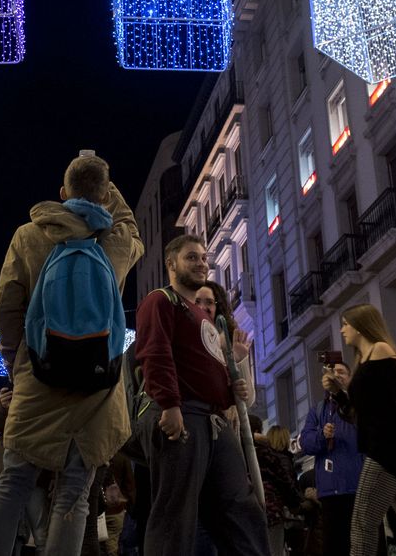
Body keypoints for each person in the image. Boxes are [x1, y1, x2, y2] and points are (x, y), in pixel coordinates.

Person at [0, 154, 144, 556]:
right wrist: (107, 188)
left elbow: (5, 305)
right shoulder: (115, 243)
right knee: (74, 494)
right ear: (105, 196)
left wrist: (18, 357)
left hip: (39, 378)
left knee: (13, 486)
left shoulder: (30, 236)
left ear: (62, 193)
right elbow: (132, 226)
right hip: (96, 388)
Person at [131, 234, 267, 556]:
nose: (201, 263)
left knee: (241, 509)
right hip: (183, 418)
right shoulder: (160, 300)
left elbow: (204, 366)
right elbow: (155, 352)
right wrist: (170, 405)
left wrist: (230, 389)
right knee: (175, 516)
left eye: (204, 258)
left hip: (213, 421)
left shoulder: (202, 317)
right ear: (171, 264)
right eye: (191, 257)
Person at [323, 303, 396, 556]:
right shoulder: (364, 360)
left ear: (361, 325)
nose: (342, 329)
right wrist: (339, 394)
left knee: (362, 525)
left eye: (347, 323)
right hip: (386, 451)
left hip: (387, 453)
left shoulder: (381, 351)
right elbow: (362, 415)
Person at [298, 359, 363, 556]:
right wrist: (321, 435)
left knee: (364, 543)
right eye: (332, 372)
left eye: (341, 372)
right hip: (330, 492)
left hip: (359, 487)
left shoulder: (359, 404)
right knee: (335, 546)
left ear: (350, 378)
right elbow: (306, 443)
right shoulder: (318, 410)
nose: (336, 376)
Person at [194, 280, 254, 407]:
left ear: (218, 308)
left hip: (222, 423)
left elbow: (247, 401)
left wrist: (239, 360)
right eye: (197, 302)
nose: (202, 308)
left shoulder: (228, 344)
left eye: (209, 302)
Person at [256, 424, 302, 555]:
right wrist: (299, 504)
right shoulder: (279, 459)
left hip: (256, 511)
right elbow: (288, 487)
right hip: (274, 512)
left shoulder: (255, 456)